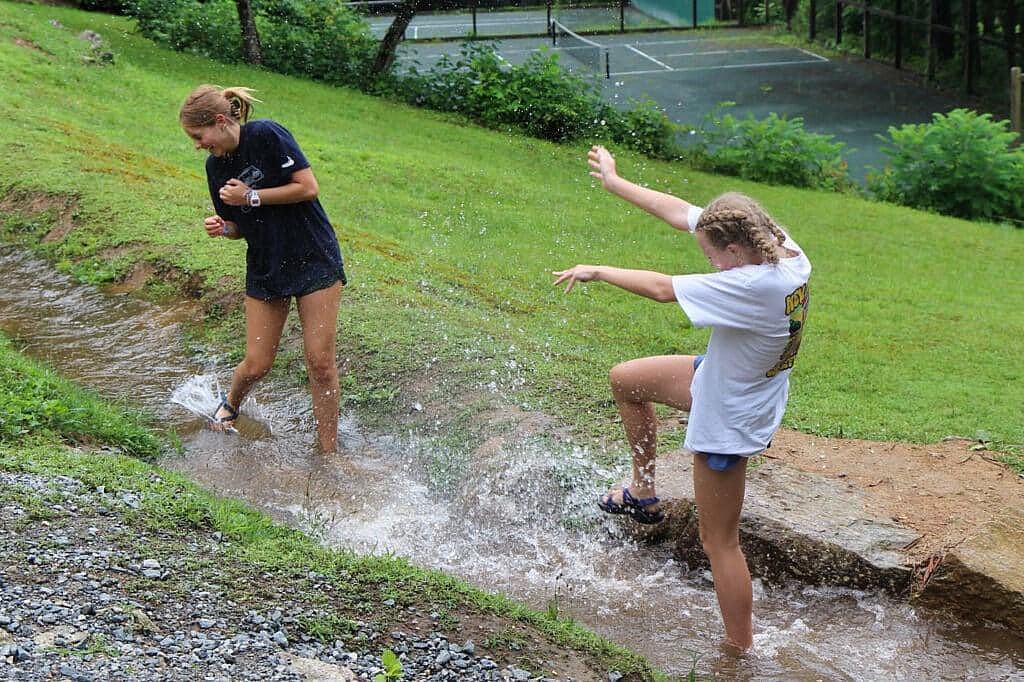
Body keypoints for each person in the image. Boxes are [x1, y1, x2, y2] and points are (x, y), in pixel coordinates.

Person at [552, 145, 811, 653]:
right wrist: (615, 182)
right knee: (627, 380)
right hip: (731, 379)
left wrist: (597, 270)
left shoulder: (748, 285)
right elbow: (681, 212)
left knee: (720, 542)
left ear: (734, 251)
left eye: (712, 255)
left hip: (728, 414)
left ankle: (740, 651)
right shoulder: (785, 252)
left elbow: (662, 289)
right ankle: (643, 491)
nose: (710, 262)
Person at [179, 84, 347, 455]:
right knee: (256, 364)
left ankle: (328, 452)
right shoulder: (215, 167)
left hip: (312, 255)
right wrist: (226, 228)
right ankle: (231, 404)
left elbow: (308, 187)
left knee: (320, 362)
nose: (197, 144)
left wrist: (252, 195)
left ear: (220, 121)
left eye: (198, 135)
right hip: (266, 264)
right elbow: (240, 224)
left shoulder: (267, 134)